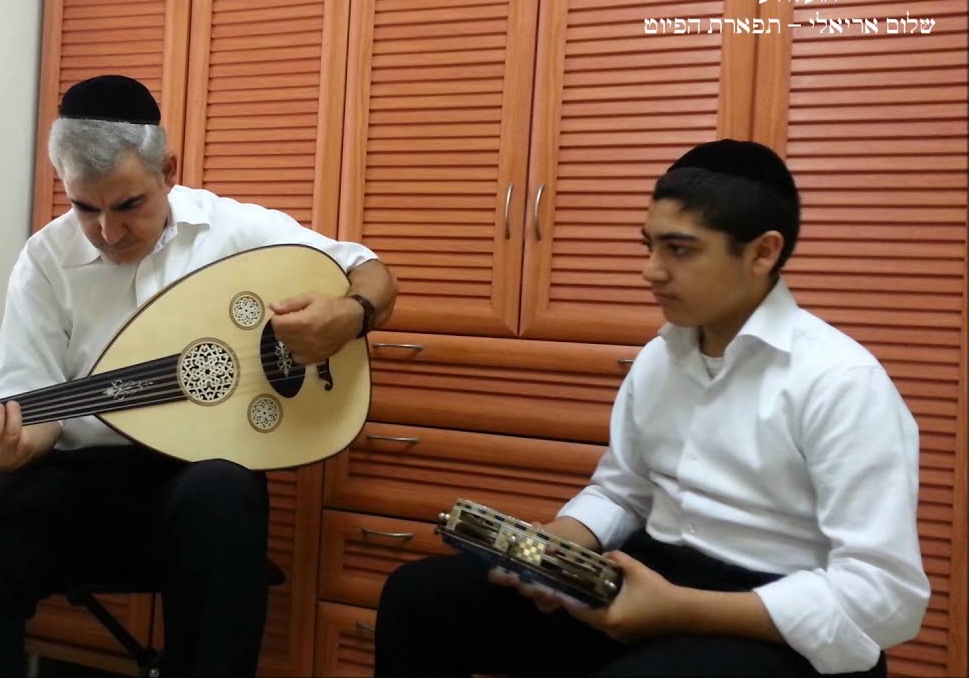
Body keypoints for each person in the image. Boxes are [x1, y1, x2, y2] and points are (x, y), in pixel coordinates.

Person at [374, 140, 928, 677]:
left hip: (775, 618)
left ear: (763, 252)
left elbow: (886, 596)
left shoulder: (840, 380)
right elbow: (622, 492)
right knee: (419, 599)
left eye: (679, 249)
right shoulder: (660, 357)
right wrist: (558, 548)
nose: (651, 271)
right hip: (650, 579)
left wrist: (679, 609)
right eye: (650, 246)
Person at [0, 74, 398, 676]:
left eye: (128, 205)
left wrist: (350, 315)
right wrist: (7, 449)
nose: (108, 232)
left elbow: (371, 272)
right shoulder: (45, 259)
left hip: (197, 478)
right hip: (77, 479)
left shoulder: (234, 231)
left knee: (222, 494)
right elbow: (35, 413)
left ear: (168, 171)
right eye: (85, 208)